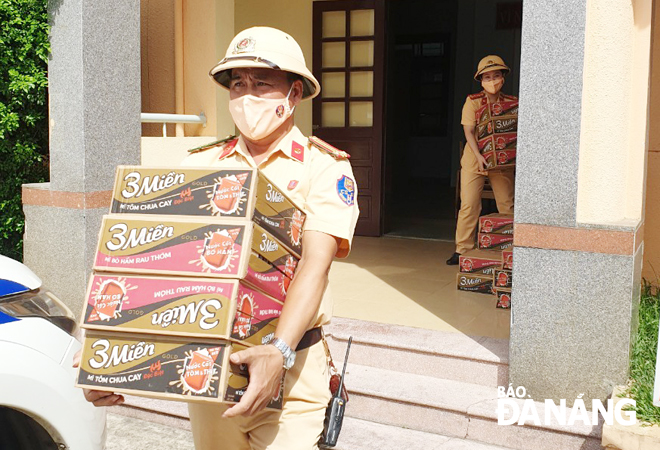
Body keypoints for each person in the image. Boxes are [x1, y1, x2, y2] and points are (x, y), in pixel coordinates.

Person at [81, 27, 359, 450]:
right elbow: (156, 264)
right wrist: (105, 358)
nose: (247, 97)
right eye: (238, 84)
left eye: (262, 84)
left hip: (295, 369)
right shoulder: (201, 164)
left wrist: (278, 352)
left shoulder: (324, 168)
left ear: (295, 93)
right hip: (211, 370)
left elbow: (314, 266)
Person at [446, 55, 516, 265]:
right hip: (474, 159)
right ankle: (462, 249)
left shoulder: (512, 104)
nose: (492, 81)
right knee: (469, 204)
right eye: (487, 77)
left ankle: (511, 247)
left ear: (503, 77)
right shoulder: (473, 101)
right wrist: (479, 157)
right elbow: (468, 131)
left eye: (496, 75)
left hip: (500, 162)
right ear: (480, 79)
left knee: (506, 204)